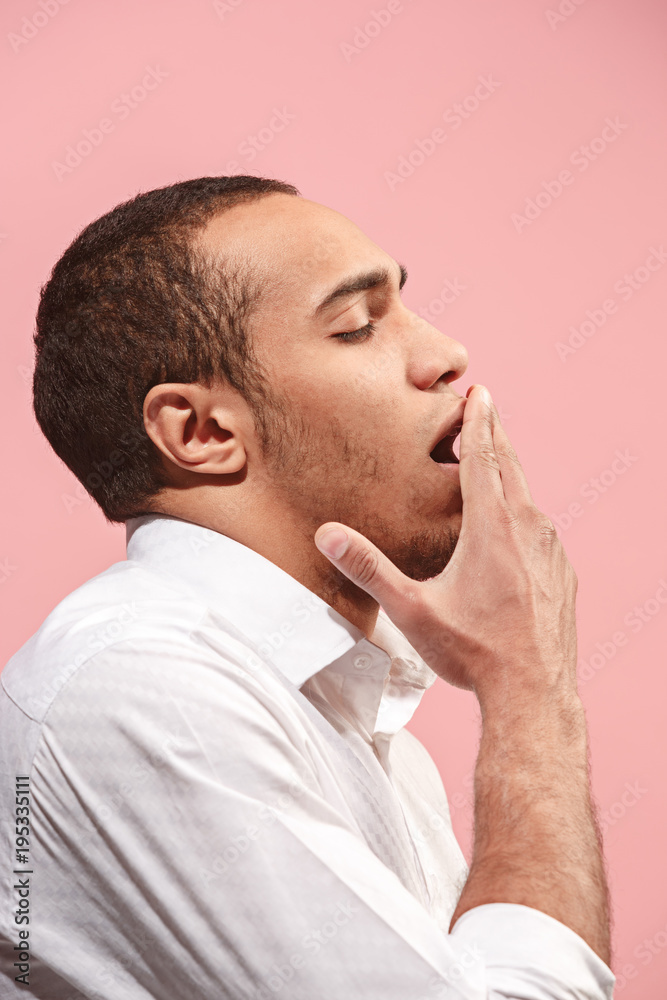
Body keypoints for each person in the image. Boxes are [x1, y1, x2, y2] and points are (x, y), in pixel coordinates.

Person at [0, 175, 615, 999]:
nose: (445, 356)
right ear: (204, 432)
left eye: (403, 306)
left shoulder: (341, 719)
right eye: (358, 326)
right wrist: (528, 687)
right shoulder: (143, 690)